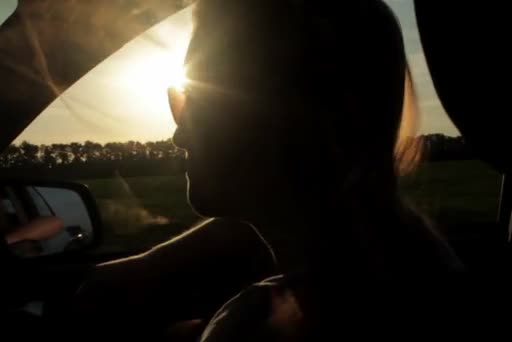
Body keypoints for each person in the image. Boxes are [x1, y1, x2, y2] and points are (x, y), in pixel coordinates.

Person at [164, 0, 463, 339]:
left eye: (201, 107)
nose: (179, 135)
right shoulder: (412, 277)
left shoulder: (284, 317)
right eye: (182, 101)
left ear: (312, 121)